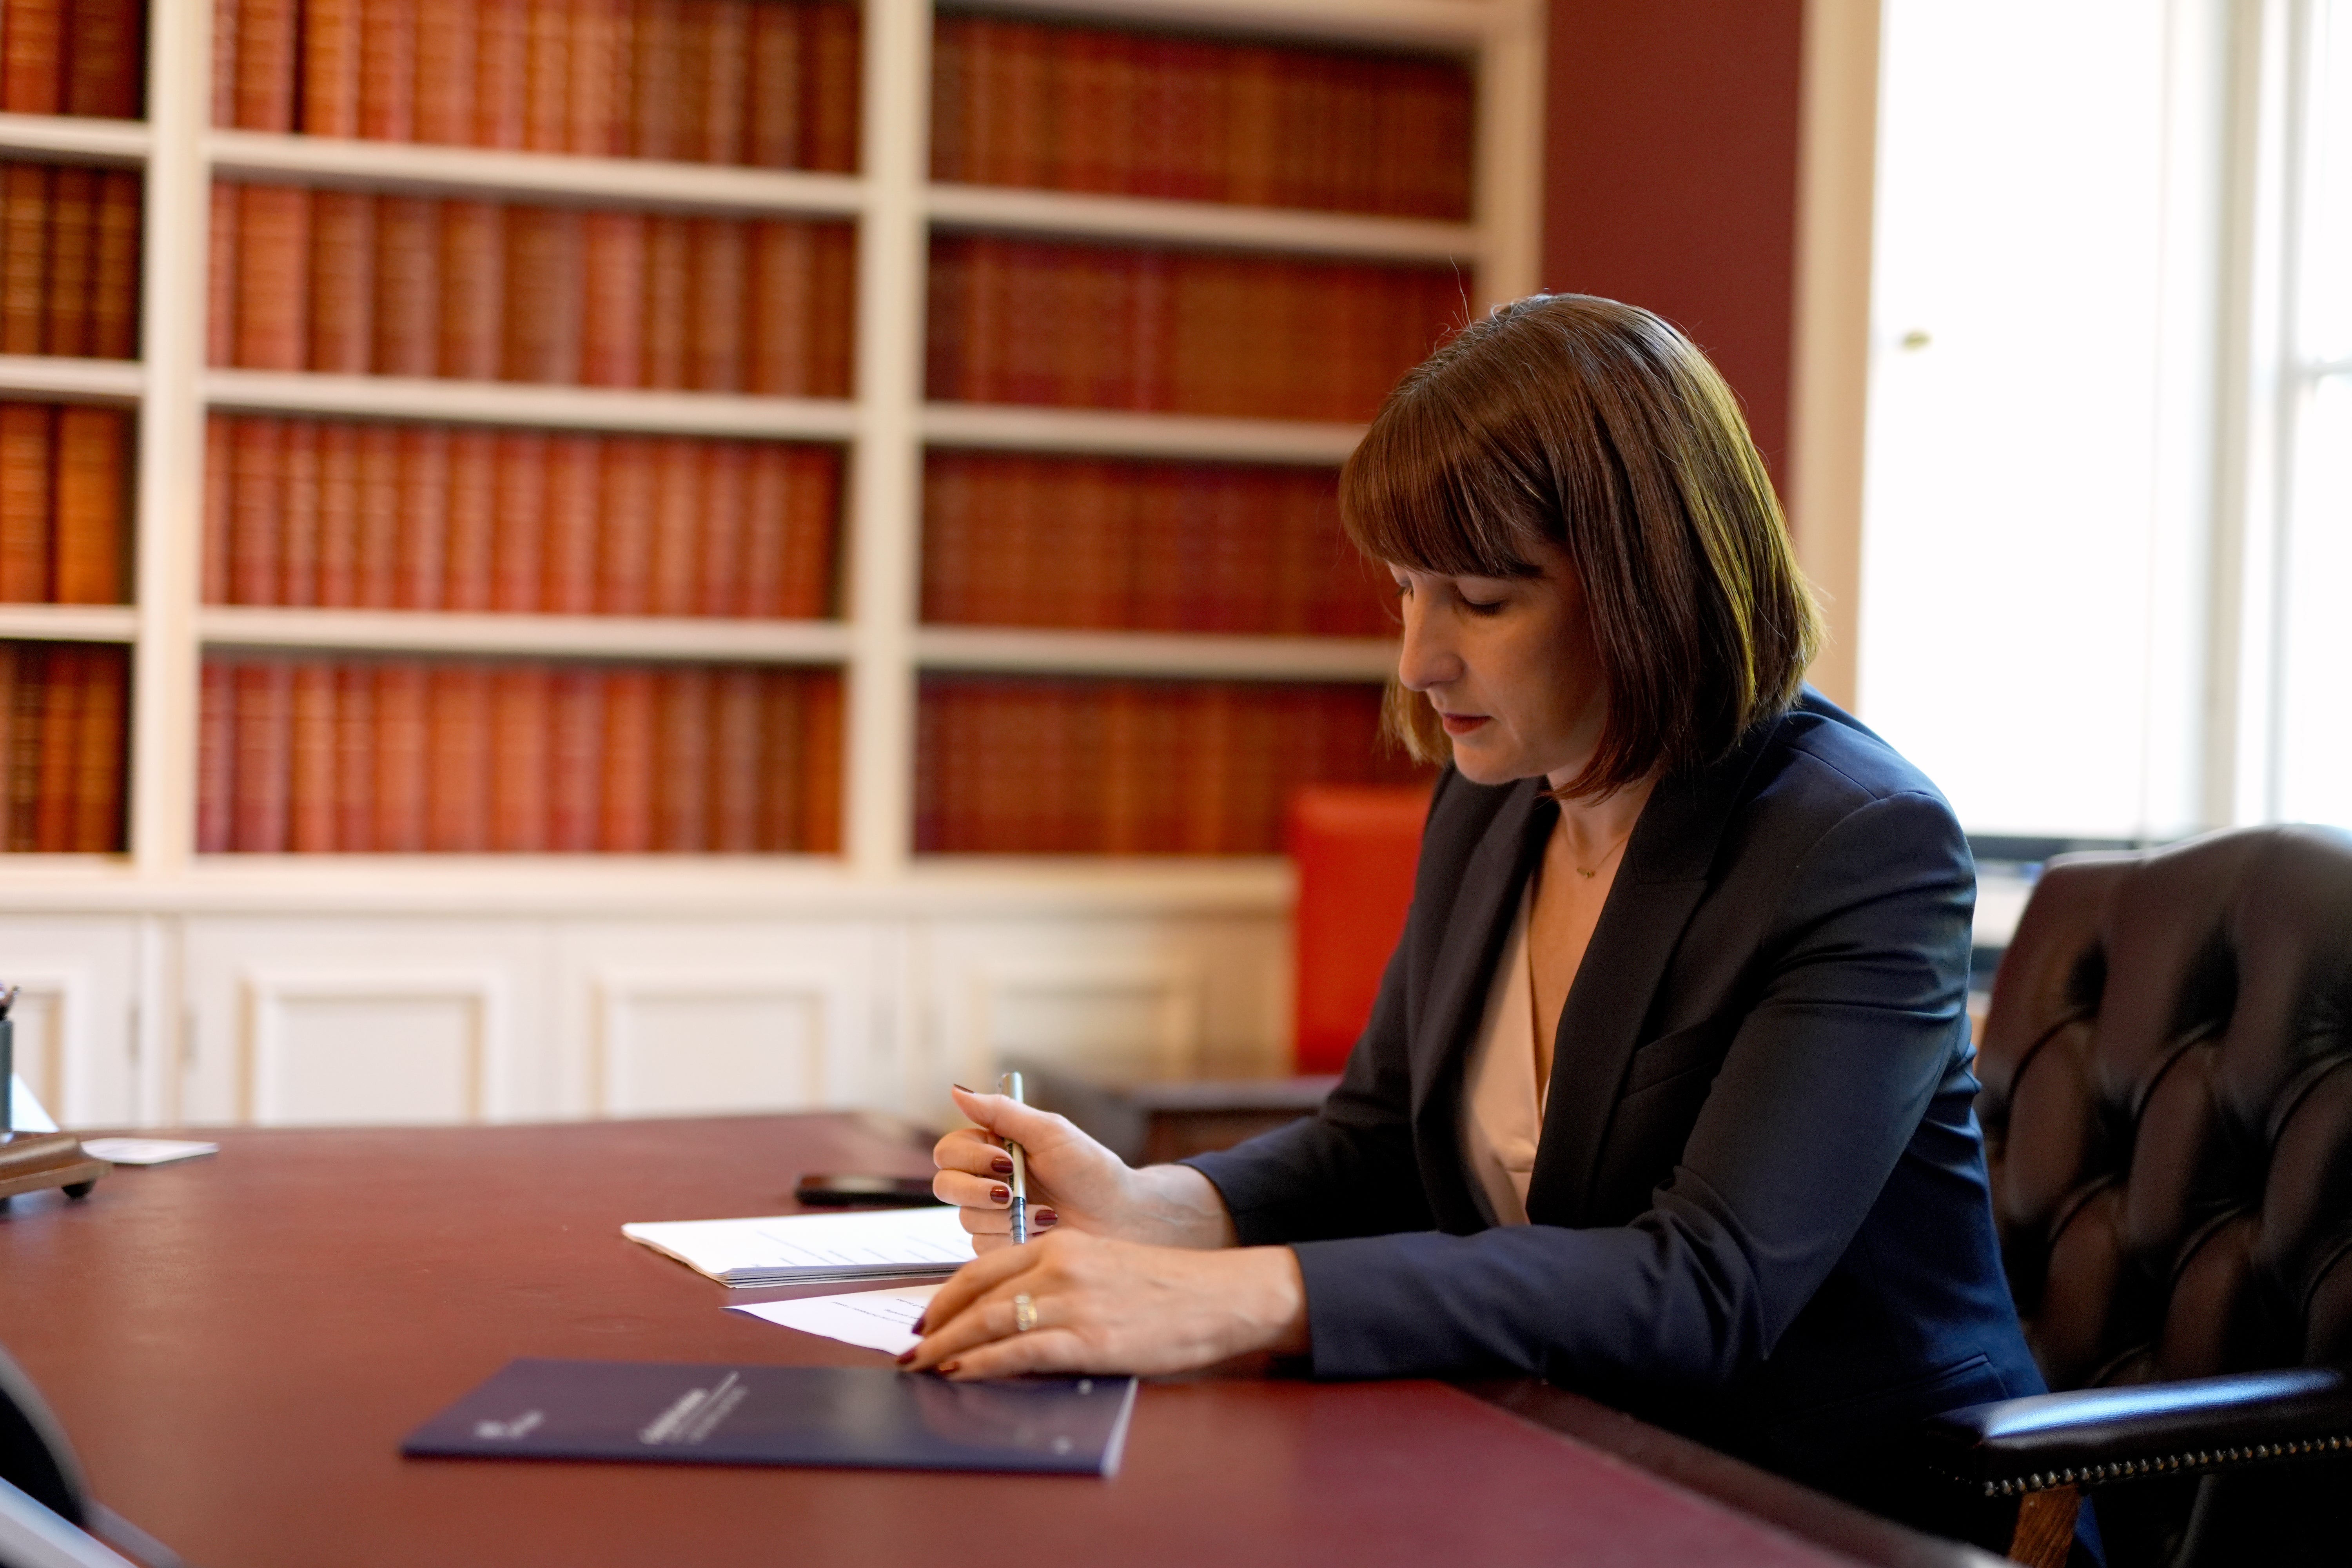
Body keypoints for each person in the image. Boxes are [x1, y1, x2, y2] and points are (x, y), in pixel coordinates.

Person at [905, 293, 2053, 1541]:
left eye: (1481, 601)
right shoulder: (1495, 796)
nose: (1418, 659)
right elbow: (1381, 1142)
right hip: (1557, 1461)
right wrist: (1158, 1208)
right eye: (1406, 590)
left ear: (1646, 587)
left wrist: (1238, 1299)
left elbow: (1706, 1286)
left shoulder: (1854, 843)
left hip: (1833, 1507)